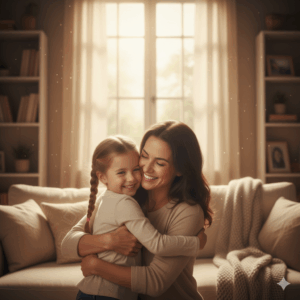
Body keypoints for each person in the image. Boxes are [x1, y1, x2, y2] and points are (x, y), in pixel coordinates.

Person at [61, 120, 214, 300]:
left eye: (160, 163)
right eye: (144, 156)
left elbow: (155, 282)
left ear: (180, 169)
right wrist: (109, 241)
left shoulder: (188, 211)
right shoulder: (127, 195)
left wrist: (96, 267)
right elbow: (68, 245)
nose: (147, 168)